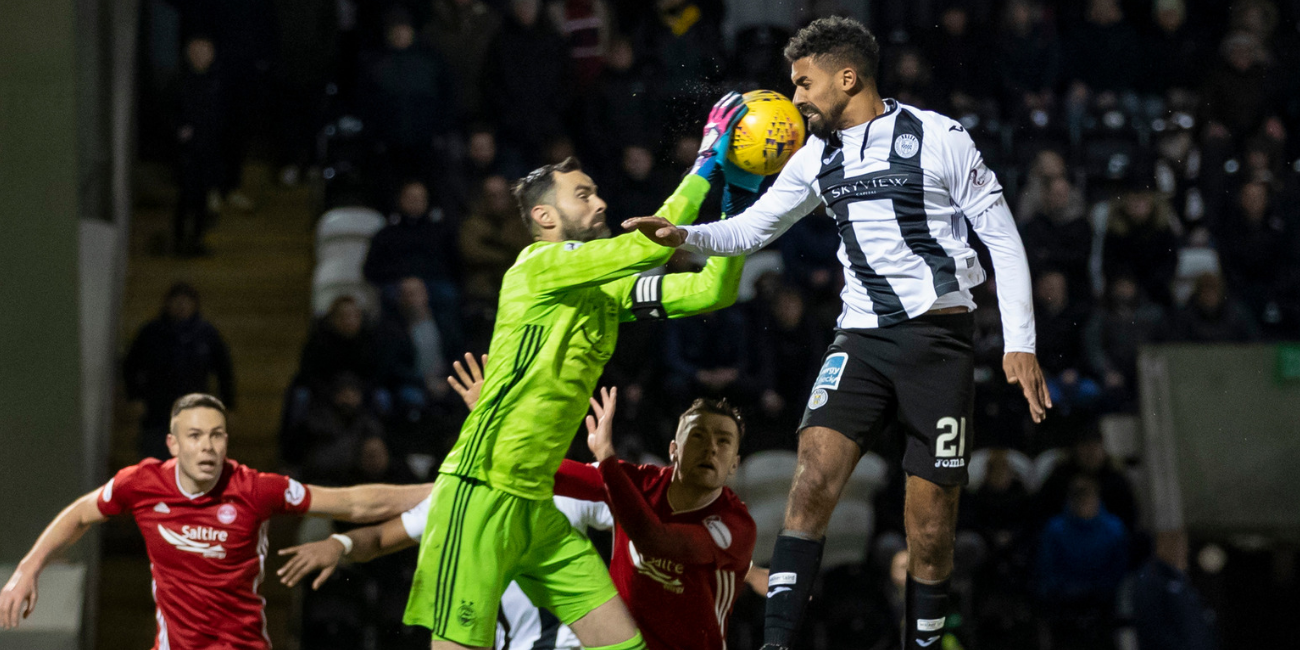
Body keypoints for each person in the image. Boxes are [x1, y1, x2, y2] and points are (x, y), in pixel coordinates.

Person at [623, 18, 1049, 650]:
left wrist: (1021, 342)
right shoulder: (814, 156)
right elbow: (755, 228)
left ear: (846, 78)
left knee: (930, 528)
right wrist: (686, 234)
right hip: (860, 339)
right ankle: (776, 644)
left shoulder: (938, 136)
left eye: (803, 83)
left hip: (939, 343)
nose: (794, 99)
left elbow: (1003, 237)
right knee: (812, 481)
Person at [402, 95, 757, 650]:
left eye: (596, 190)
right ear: (545, 217)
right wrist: (706, 163)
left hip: (535, 504)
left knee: (624, 645)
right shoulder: (538, 267)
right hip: (479, 492)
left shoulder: (605, 290)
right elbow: (644, 248)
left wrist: (738, 203)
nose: (600, 200)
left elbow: (714, 289)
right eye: (583, 193)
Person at [0, 394, 431, 648]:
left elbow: (353, 504)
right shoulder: (141, 484)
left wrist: (441, 490)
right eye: (195, 436)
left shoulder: (255, 488)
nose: (208, 446)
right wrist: (28, 568)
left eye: (217, 434)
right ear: (172, 444)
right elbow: (79, 514)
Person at [553, 389, 759, 650]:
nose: (711, 448)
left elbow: (654, 540)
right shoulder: (636, 482)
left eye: (724, 441)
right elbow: (547, 474)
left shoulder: (736, 525)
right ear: (673, 449)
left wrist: (606, 456)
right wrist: (486, 425)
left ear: (734, 464)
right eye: (698, 435)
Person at [124, 282, 235, 460]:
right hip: (158, 411)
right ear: (167, 303)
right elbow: (131, 366)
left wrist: (227, 405)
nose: (181, 306)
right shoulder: (151, 332)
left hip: (195, 412)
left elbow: (224, 370)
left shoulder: (206, 334)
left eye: (186, 302)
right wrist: (135, 397)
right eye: (177, 301)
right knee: (156, 462)